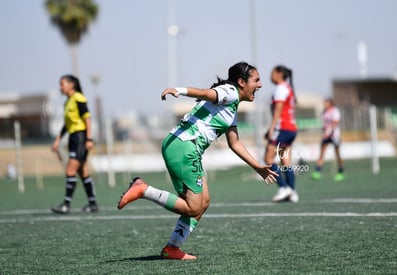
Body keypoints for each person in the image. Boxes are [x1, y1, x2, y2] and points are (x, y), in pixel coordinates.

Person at [117, 62, 277, 260]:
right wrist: (180, 90)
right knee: (193, 207)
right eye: (256, 80)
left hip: (185, 147)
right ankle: (143, 189)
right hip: (184, 146)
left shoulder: (232, 107)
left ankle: (172, 248)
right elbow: (206, 93)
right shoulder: (230, 92)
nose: (260, 85)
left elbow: (234, 143)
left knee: (204, 202)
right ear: (242, 82)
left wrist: (257, 167)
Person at [51, 74, 98, 214]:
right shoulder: (67, 102)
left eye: (62, 83)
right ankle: (92, 204)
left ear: (72, 84)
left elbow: (87, 119)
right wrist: (58, 140)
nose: (60, 87)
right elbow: (67, 124)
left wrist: (89, 139)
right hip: (73, 138)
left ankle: (66, 205)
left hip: (80, 137)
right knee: (83, 172)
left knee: (70, 171)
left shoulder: (78, 98)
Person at [264, 65, 298, 203]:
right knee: (286, 161)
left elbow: (278, 110)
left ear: (279, 74)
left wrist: (271, 129)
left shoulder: (280, 89)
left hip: (282, 129)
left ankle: (284, 188)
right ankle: (292, 191)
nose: (270, 75)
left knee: (268, 159)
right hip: (291, 129)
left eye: (272, 72)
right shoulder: (288, 88)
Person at [310, 98, 345, 181]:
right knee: (322, 153)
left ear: (330, 103)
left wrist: (329, 131)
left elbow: (336, 122)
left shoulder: (335, 111)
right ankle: (317, 171)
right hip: (326, 136)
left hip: (334, 135)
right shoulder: (324, 112)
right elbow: (324, 124)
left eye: (326, 103)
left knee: (337, 154)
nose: (324, 104)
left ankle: (341, 171)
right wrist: (324, 132)